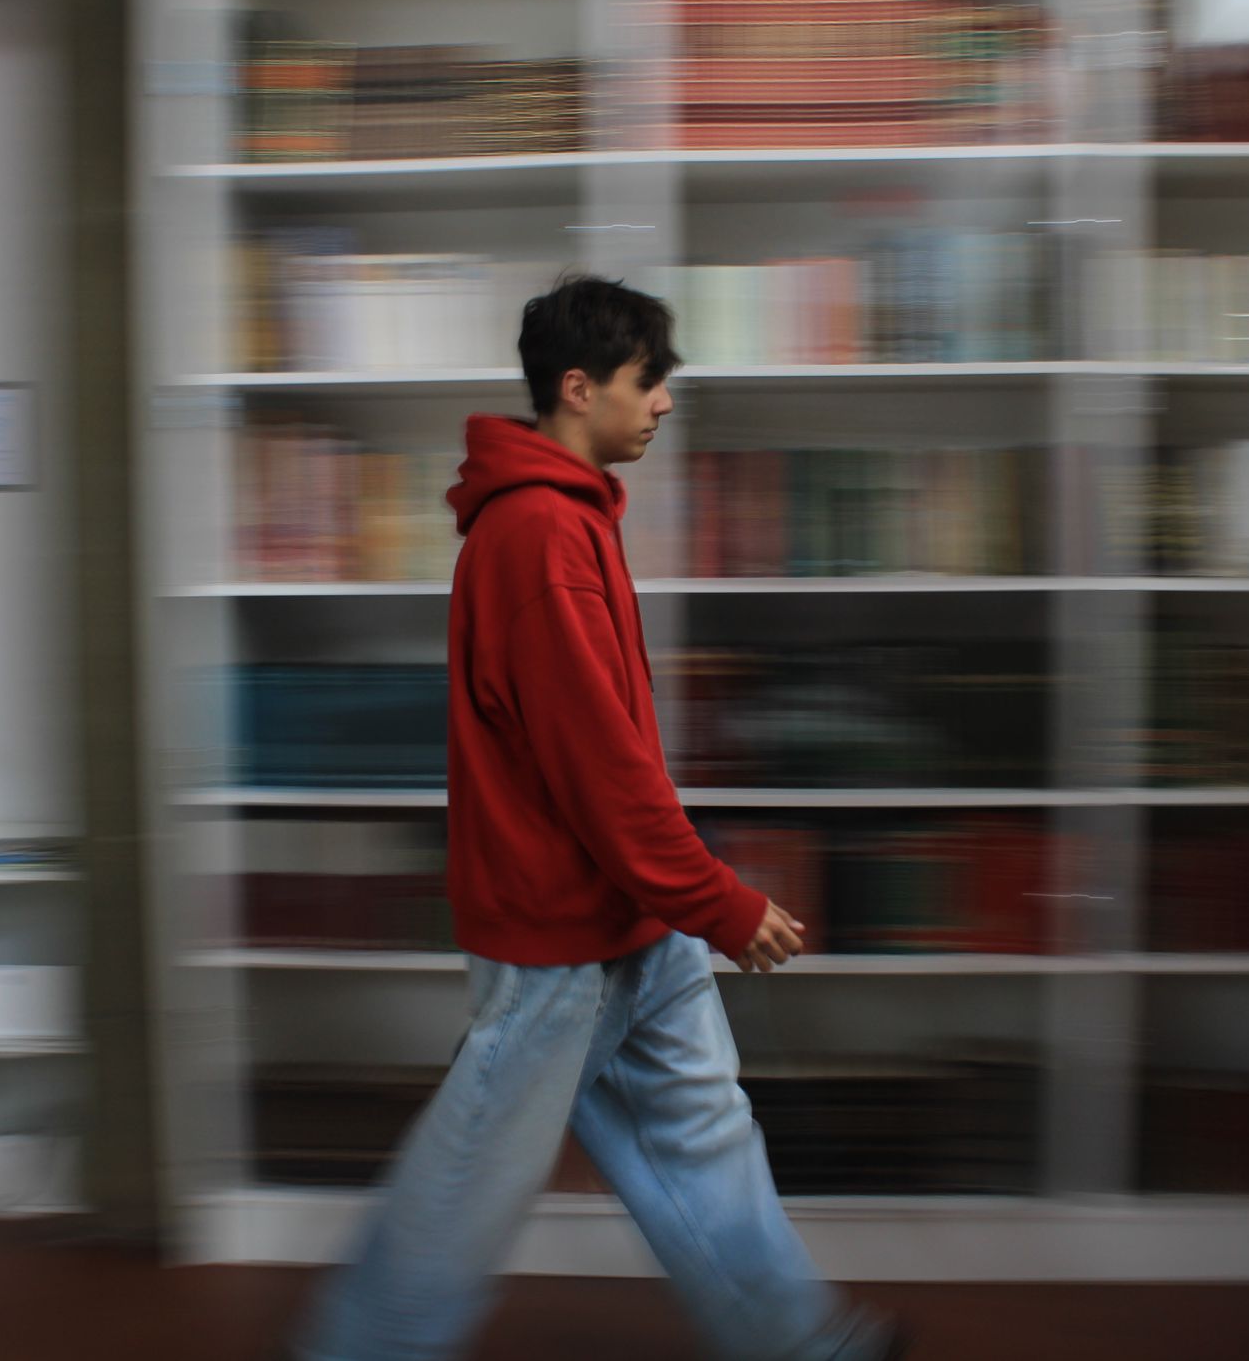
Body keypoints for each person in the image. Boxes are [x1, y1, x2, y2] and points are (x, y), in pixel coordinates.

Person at [283, 276, 907, 1361]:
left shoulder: (564, 519)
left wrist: (676, 897)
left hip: (626, 912)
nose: (663, 401)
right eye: (646, 380)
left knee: (702, 1133)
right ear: (578, 389)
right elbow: (599, 767)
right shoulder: (535, 537)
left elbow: (607, 760)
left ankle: (797, 1342)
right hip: (559, 934)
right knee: (471, 1175)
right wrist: (715, 899)